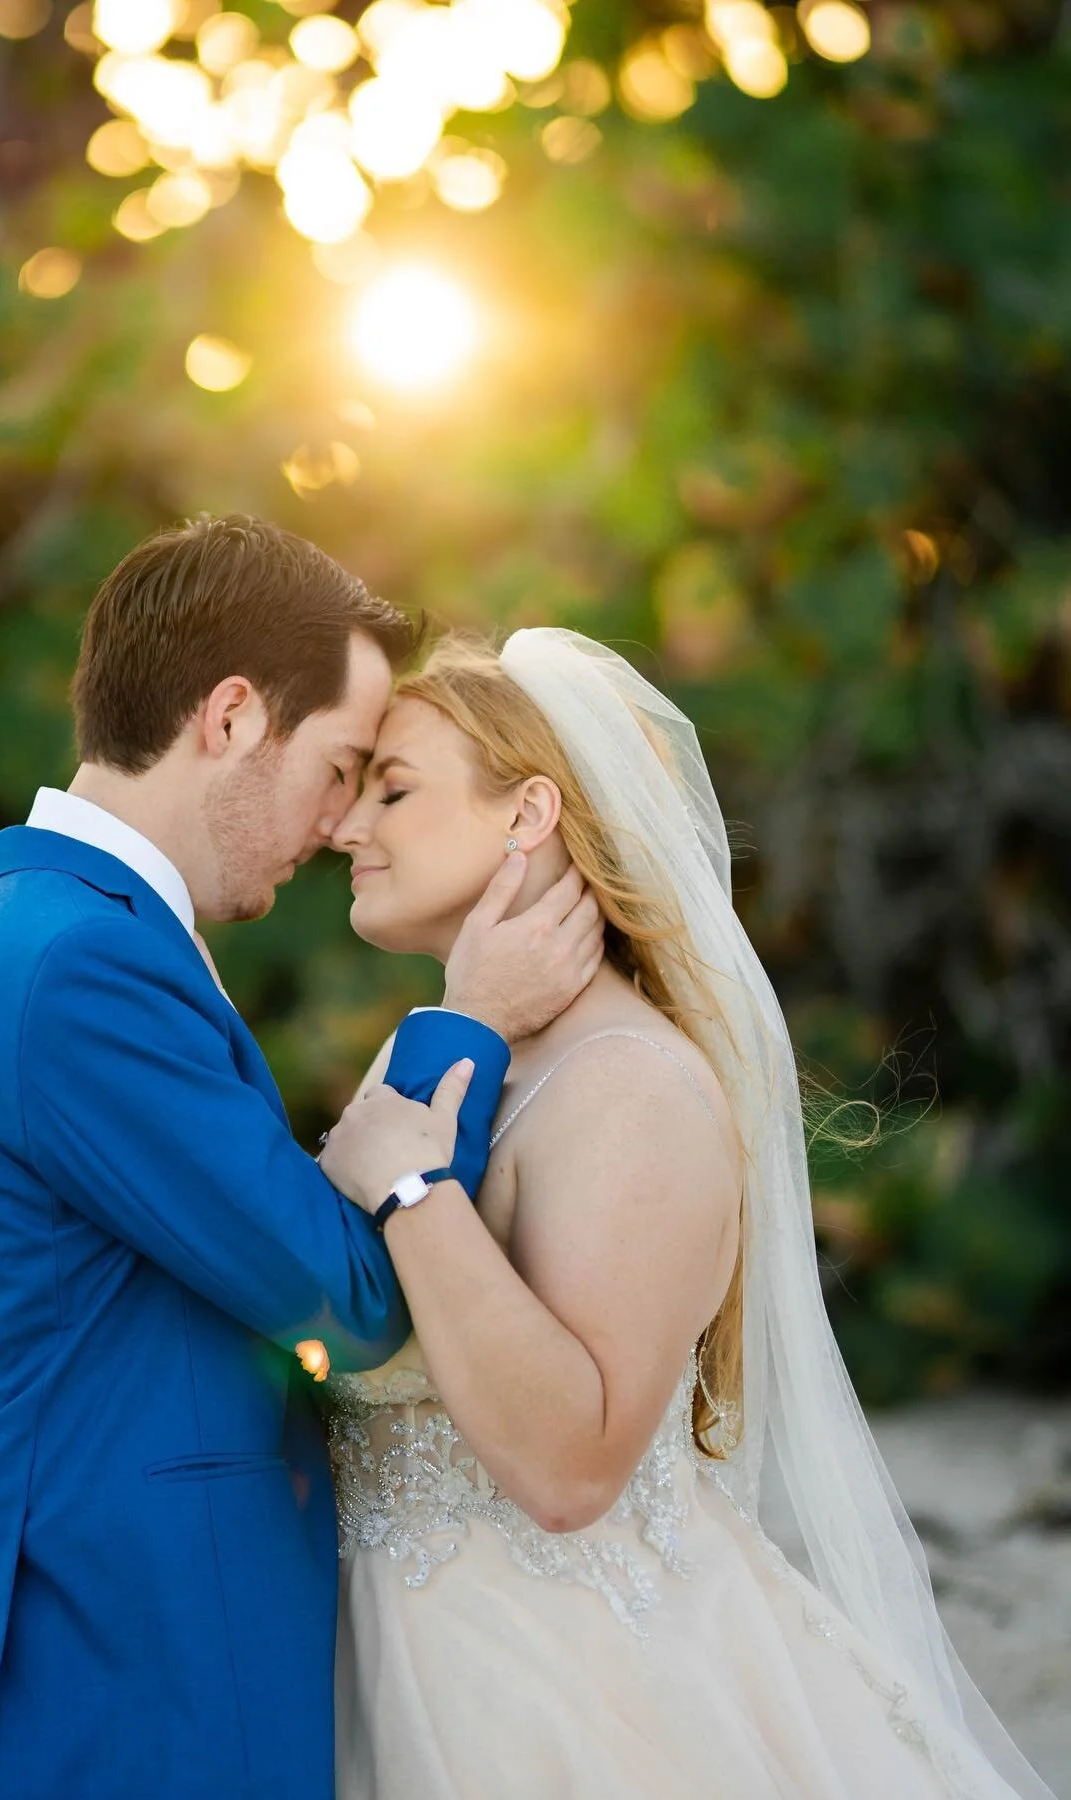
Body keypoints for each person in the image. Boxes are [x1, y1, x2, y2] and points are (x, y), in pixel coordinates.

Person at [0, 516, 603, 1800]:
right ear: (229, 718)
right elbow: (348, 1304)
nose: (339, 824)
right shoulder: (83, 964)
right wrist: (473, 1022)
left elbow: (177, 1249)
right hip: (121, 1655)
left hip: (122, 1628)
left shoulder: (56, 927)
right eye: (337, 768)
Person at [313, 629, 1055, 1800]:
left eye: (392, 791)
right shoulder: (447, 1050)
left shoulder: (631, 1087)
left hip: (556, 1688)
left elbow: (572, 1469)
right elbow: (324, 1327)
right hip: (379, 1655)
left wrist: (414, 1193)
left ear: (528, 813)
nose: (346, 828)